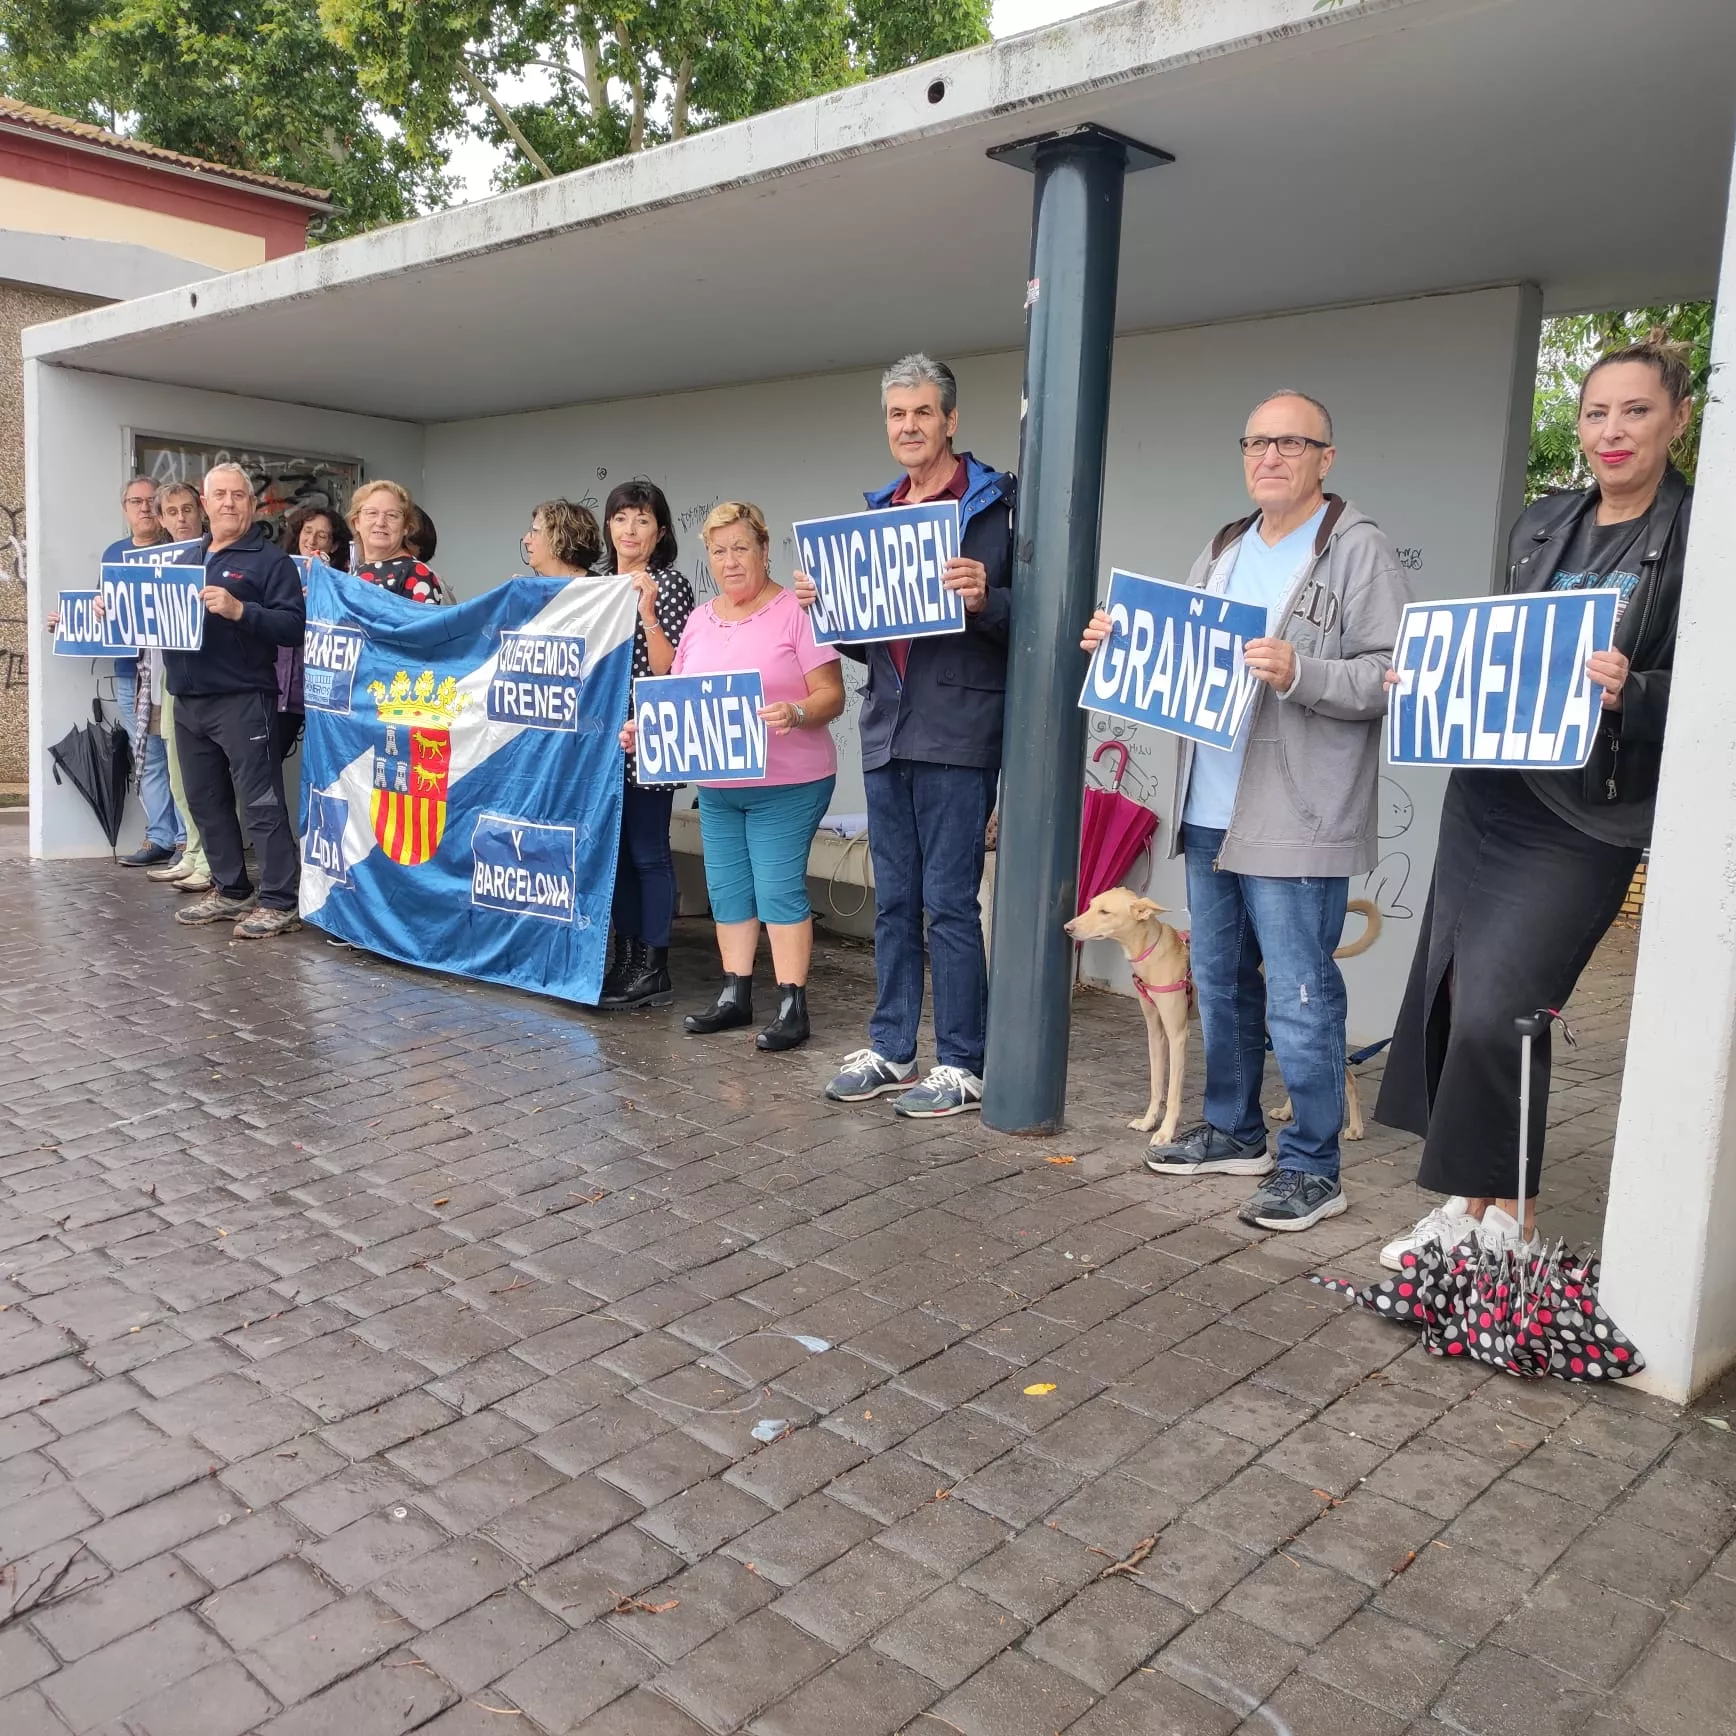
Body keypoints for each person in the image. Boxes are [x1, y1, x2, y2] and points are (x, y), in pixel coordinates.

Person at [1375, 331, 1695, 1265]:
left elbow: (1714, 687)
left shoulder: (1701, 537)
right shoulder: (1541, 524)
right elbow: (1507, 649)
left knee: (1503, 1008)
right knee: (1454, 995)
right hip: (1490, 792)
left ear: (1677, 417)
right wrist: (1431, 679)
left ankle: (1510, 1215)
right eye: (1597, 412)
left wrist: (1631, 691)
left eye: (1636, 410)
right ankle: (1471, 1213)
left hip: (1587, 814)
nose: (1613, 430)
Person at [1081, 390, 1409, 1231]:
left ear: (1325, 458)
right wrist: (1123, 644)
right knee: (1221, 985)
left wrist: (1301, 671)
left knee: (1300, 993)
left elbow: (1388, 675)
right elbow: (1183, 651)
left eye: (1290, 443)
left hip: (1299, 815)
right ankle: (1233, 1131)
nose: (1268, 456)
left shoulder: (1357, 550)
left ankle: (1314, 1167)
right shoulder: (1224, 546)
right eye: (1256, 442)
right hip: (1209, 807)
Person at [795, 354, 1015, 1118]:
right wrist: (834, 611)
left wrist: (987, 599)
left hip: (960, 728)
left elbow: (1036, 618)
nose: (909, 426)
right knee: (894, 901)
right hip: (886, 728)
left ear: (950, 420)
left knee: (950, 903)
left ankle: (963, 1062)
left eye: (923, 413)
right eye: (897, 415)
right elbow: (874, 643)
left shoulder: (997, 508)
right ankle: (892, 1047)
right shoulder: (880, 511)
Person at [622, 502, 843, 1050]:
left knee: (776, 887)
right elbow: (677, 696)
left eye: (741, 548)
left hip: (789, 781)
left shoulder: (796, 612)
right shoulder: (700, 618)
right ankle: (734, 994)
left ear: (765, 551)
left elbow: (830, 695)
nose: (730, 560)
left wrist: (795, 712)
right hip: (719, 784)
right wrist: (646, 730)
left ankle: (793, 1004)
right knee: (728, 890)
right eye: (718, 551)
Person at [168, 464, 307, 939]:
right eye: (219, 495)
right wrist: (113, 609)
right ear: (205, 504)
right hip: (187, 700)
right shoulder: (183, 557)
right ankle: (230, 890)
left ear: (252, 504)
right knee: (206, 800)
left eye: (238, 496)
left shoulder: (270, 561)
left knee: (261, 802)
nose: (228, 503)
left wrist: (240, 610)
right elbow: (143, 617)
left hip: (244, 698)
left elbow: (292, 627)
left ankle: (279, 899)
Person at [589, 482, 694, 1011]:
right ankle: (624, 959)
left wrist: (648, 610)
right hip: (598, 741)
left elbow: (668, 668)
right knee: (618, 858)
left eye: (642, 520)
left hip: (648, 736)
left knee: (648, 852)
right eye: (621, 518)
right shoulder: (594, 585)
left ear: (661, 531)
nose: (630, 530)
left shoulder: (668, 585)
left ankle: (653, 965)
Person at [103, 477, 184, 867]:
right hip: (129, 671)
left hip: (172, 670)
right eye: (136, 501)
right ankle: (160, 839)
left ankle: (188, 841)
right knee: (149, 758)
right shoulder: (114, 553)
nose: (145, 507)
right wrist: (74, 619)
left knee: (180, 756)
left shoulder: (179, 551)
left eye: (153, 501)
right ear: (125, 508)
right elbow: (103, 605)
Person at [147, 484, 216, 894]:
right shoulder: (149, 562)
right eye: (171, 512)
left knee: (205, 775)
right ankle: (191, 850)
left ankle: (210, 856)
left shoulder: (212, 553)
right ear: (161, 519)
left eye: (187, 509)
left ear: (200, 511)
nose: (180, 518)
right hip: (166, 674)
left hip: (206, 675)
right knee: (176, 772)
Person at [273, 505, 351, 769]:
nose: (312, 540)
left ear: (335, 544)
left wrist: (323, 596)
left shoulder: (344, 580)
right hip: (281, 690)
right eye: (307, 531)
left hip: (326, 692)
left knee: (327, 768)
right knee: (266, 766)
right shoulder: (276, 570)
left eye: (322, 535)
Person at [349, 481, 444, 603]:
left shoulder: (415, 573)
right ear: (357, 522)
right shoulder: (358, 572)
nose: (380, 522)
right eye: (372, 513)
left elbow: (424, 622)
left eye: (392, 515)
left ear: (405, 527)